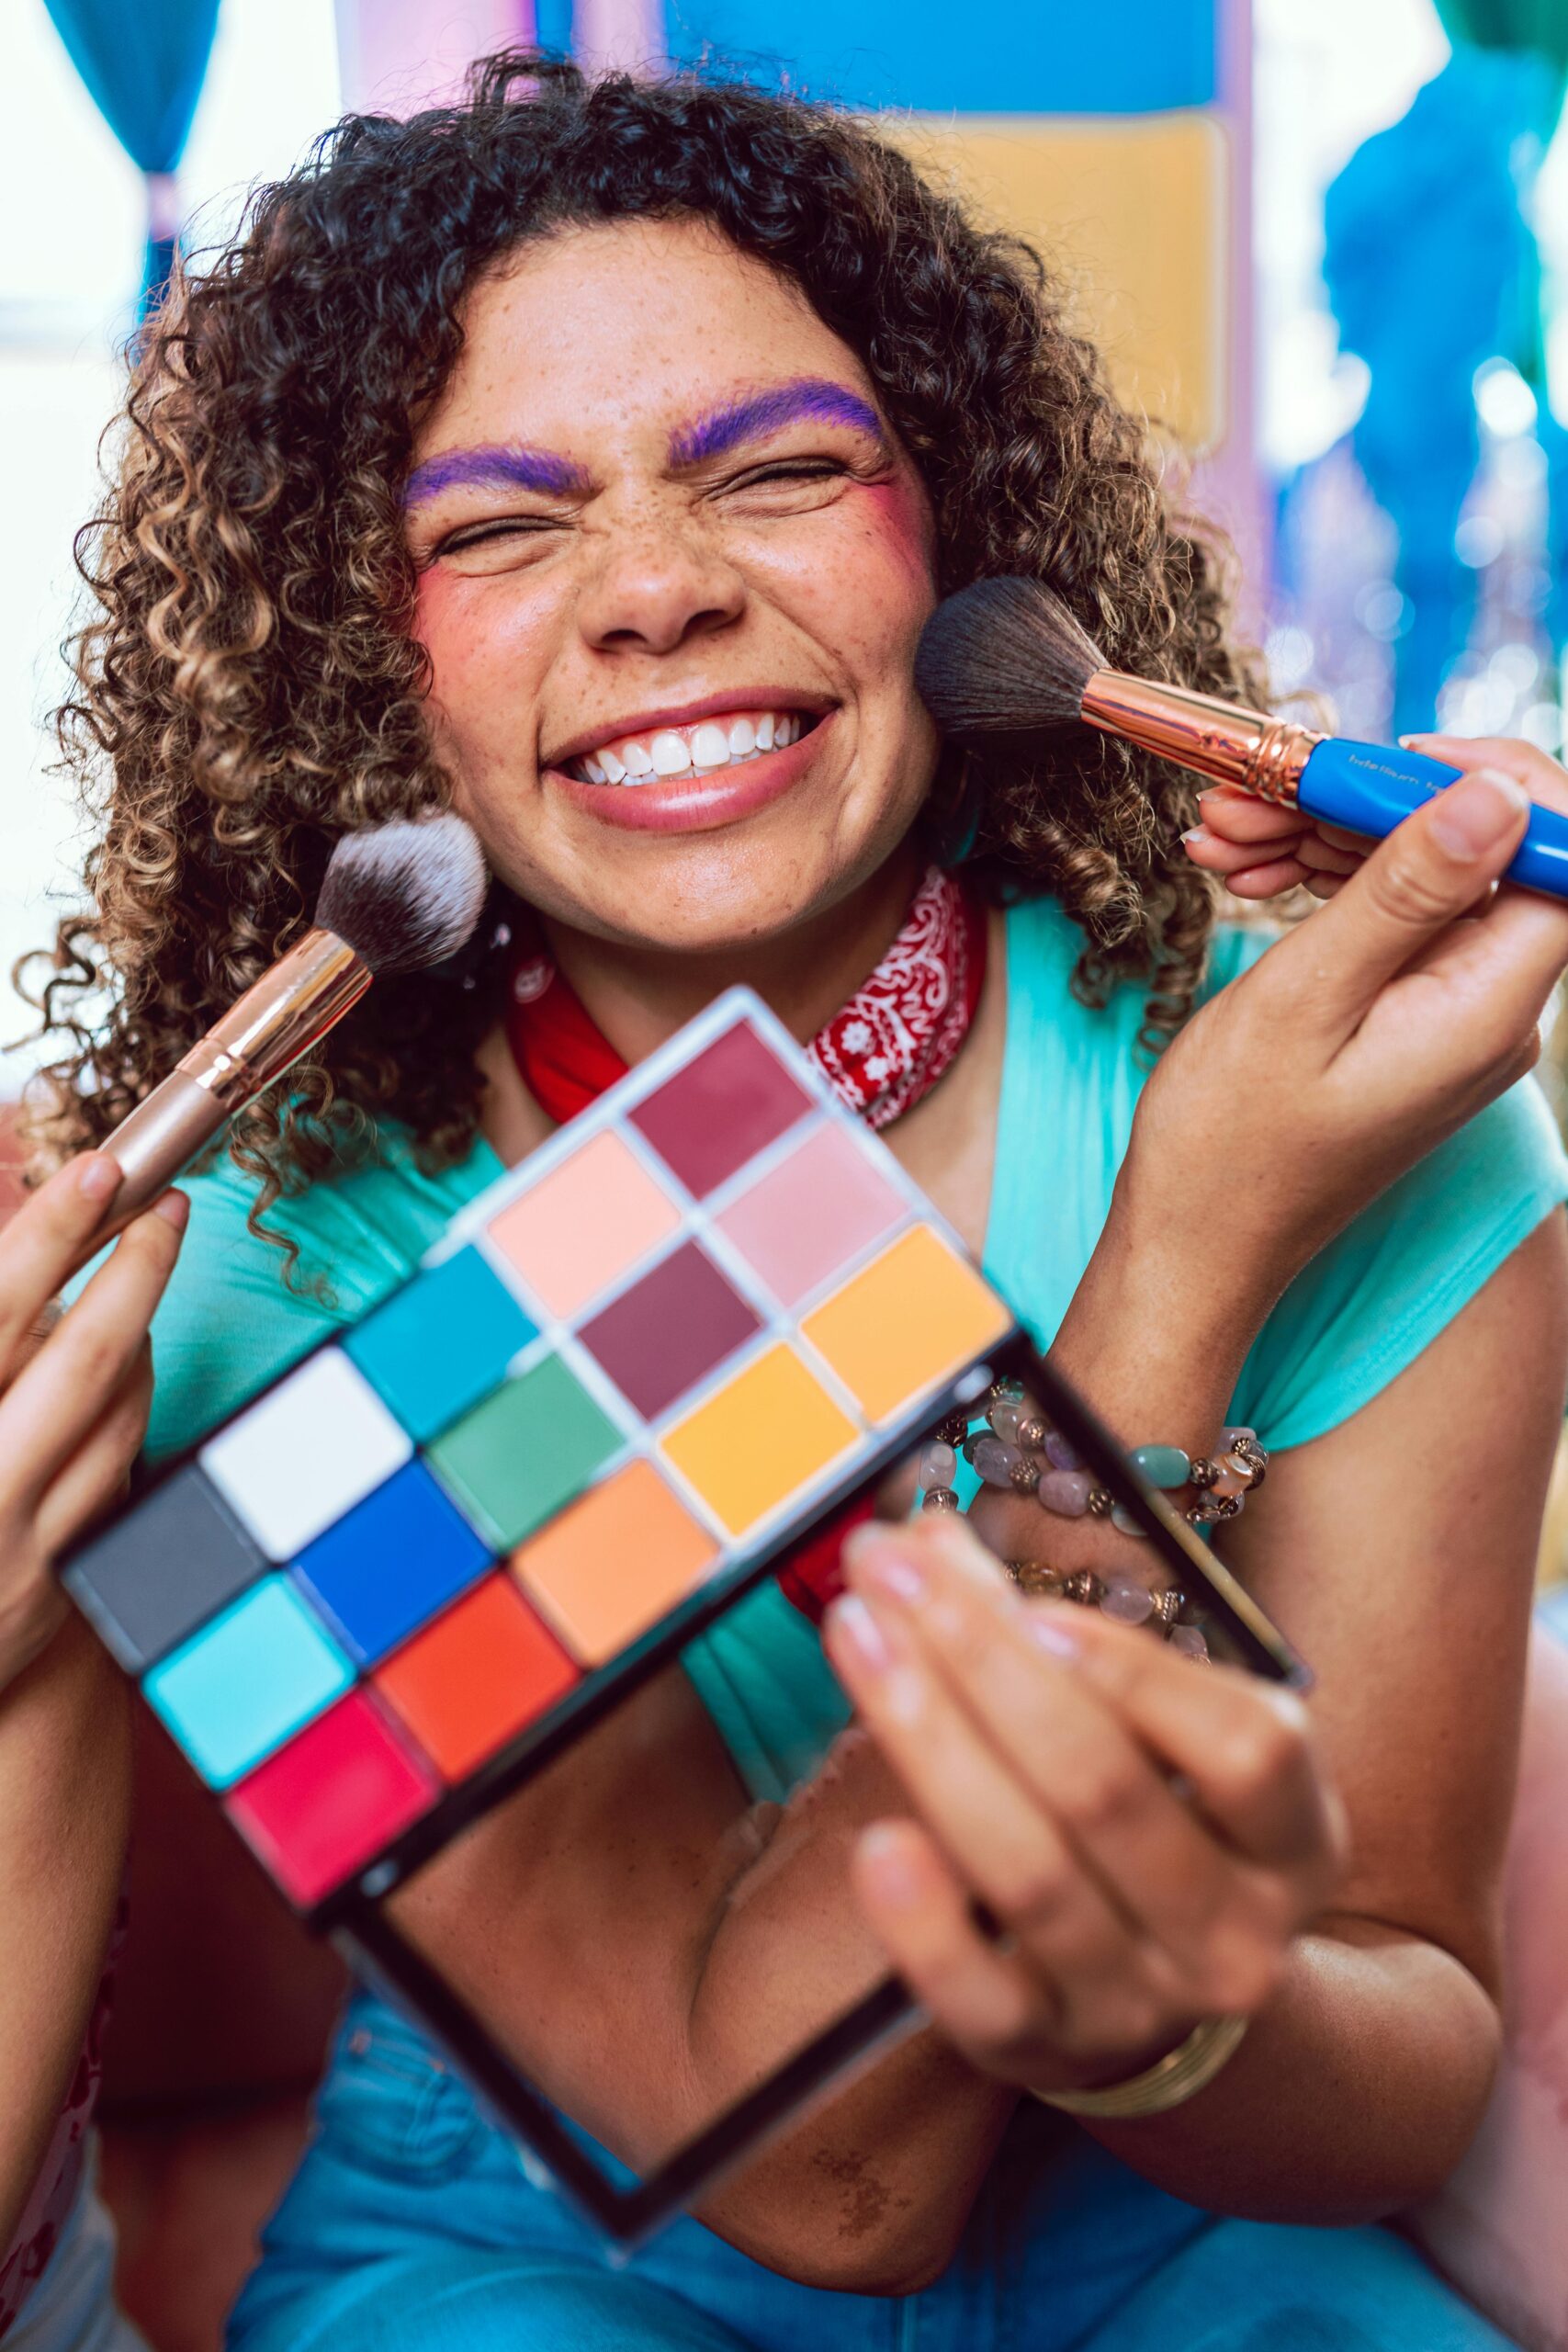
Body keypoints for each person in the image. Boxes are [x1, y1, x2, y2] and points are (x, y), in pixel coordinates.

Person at [16, 51, 1568, 2352]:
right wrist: (1171, 1269)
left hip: (1189, 2237)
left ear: (956, 530)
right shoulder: (276, 1244)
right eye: (496, 527)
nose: (656, 588)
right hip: (540, 2253)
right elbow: (836, 2178)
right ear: (355, 654)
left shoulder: (1351, 1090)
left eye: (780, 470)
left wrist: (1168, 2011)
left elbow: (1402, 2047)